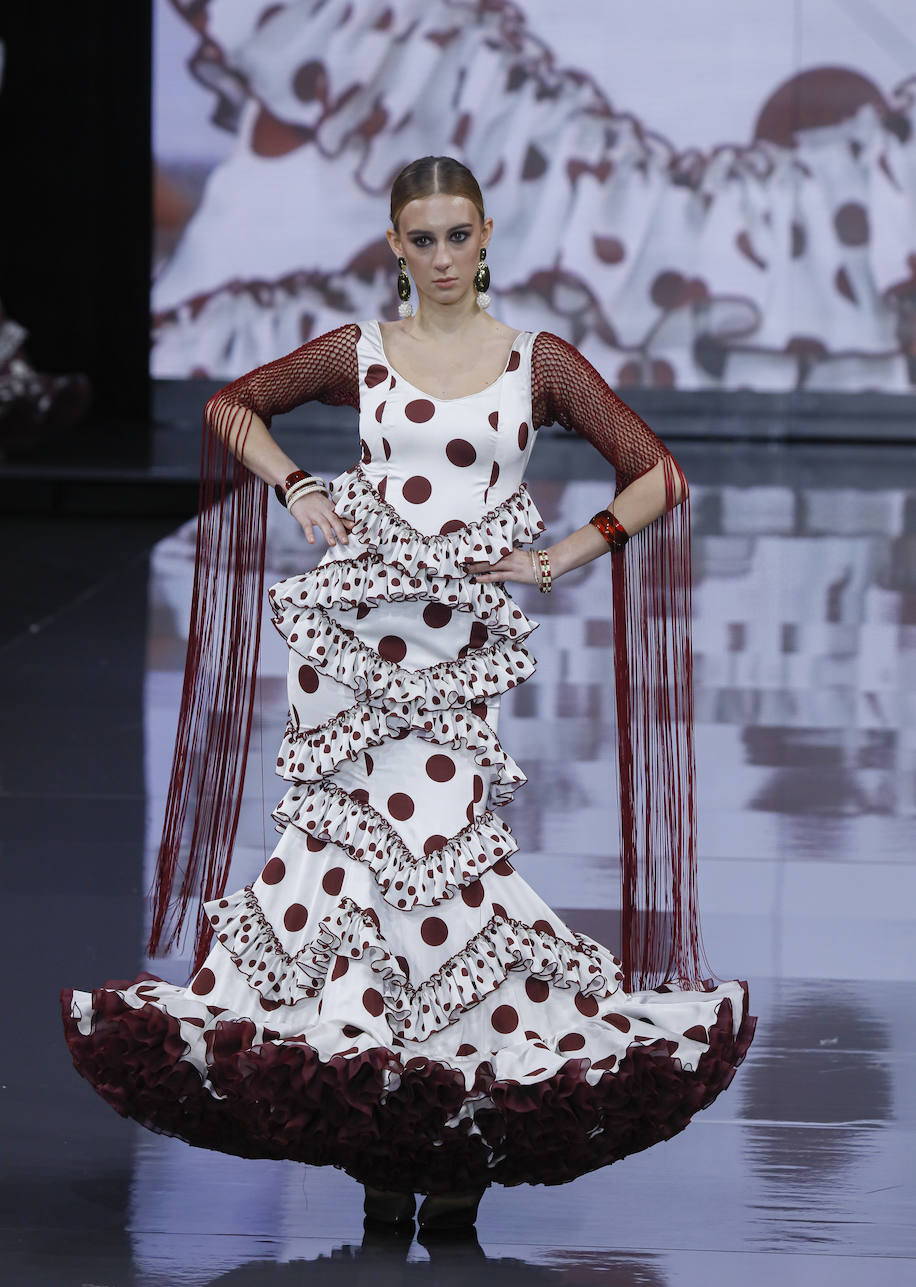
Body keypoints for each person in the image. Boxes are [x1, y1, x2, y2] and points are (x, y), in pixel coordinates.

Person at [61, 156, 755, 1232]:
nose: (441, 257)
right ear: (394, 244)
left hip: (458, 650)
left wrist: (561, 555)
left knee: (445, 856)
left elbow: (655, 472)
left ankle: (451, 1110)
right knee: (343, 867)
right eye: (421, 239)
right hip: (351, 641)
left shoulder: (537, 363)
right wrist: (298, 486)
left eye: (457, 236)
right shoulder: (362, 352)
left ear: (487, 236)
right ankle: (375, 1124)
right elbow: (232, 406)